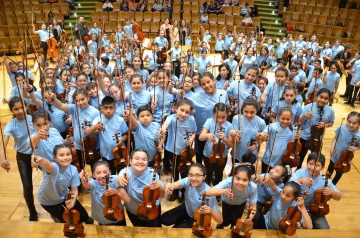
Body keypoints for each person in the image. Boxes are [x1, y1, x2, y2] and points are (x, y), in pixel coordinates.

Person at [0, 97, 38, 221]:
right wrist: (3, 159)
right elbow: (3, 144)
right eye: (16, 109)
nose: (20, 111)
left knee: (52, 177)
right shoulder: (11, 124)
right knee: (27, 187)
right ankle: (32, 212)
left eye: (22, 107)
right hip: (22, 157)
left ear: (25, 106)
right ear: (12, 110)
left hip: (38, 154)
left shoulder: (33, 119)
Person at [36, 144, 93, 224]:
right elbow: (47, 164)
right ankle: (56, 217)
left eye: (68, 154)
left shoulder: (73, 169)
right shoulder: (54, 167)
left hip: (64, 195)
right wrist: (40, 160)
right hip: (48, 201)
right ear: (55, 158)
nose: (66, 157)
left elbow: (74, 189)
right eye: (61, 155)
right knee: (68, 219)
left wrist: (73, 201)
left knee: (84, 216)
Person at [161, 163, 223, 227]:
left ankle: (183, 223)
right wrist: (170, 185)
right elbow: (177, 184)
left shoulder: (209, 192)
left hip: (197, 218)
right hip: (186, 208)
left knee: (176, 230)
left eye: (197, 175)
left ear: (204, 177)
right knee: (164, 219)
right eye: (190, 175)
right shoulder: (188, 180)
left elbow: (220, 220)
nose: (193, 178)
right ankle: (181, 221)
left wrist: (211, 211)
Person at [290, 152, 341, 229]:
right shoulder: (300, 172)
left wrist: (332, 192)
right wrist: (301, 180)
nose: (313, 168)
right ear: (307, 163)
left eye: (317, 165)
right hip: (298, 208)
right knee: (302, 229)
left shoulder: (324, 179)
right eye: (310, 164)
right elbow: (289, 185)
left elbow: (339, 197)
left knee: (325, 229)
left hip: (316, 211)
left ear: (322, 167)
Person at [159, 99, 196, 200]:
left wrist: (191, 140)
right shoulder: (171, 118)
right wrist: (163, 128)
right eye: (181, 110)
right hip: (173, 150)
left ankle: (184, 193)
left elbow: (193, 132)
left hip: (185, 151)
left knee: (185, 173)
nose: (183, 114)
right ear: (176, 109)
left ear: (190, 112)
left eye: (187, 112)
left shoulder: (192, 120)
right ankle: (174, 192)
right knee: (175, 172)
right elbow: (166, 124)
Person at [117, 149, 165, 227]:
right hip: (133, 210)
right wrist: (119, 180)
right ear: (130, 161)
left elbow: (162, 194)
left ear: (147, 162)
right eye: (137, 158)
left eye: (144, 159)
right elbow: (119, 180)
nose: (140, 161)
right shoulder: (125, 172)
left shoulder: (153, 173)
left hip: (153, 209)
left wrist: (160, 187)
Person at [189, 72, 228, 164]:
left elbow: (226, 109)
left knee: (214, 154)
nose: (206, 85)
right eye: (203, 84)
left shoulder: (223, 93)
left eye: (208, 82)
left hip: (217, 131)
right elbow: (185, 105)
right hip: (201, 131)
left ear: (214, 81)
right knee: (199, 153)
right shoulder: (195, 96)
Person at [87, 96, 128, 175]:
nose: (108, 111)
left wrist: (121, 140)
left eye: (111, 108)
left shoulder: (120, 120)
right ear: (101, 108)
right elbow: (88, 134)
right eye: (105, 108)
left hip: (120, 153)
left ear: (115, 108)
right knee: (110, 175)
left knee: (121, 174)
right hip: (106, 154)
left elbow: (125, 135)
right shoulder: (98, 119)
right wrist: (94, 127)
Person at [79, 160, 127, 225]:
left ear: (110, 172)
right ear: (93, 175)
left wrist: (122, 179)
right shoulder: (93, 183)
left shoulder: (114, 179)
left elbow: (121, 179)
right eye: (98, 173)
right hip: (102, 218)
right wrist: (83, 179)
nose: (102, 175)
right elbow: (86, 185)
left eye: (105, 172)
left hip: (118, 215)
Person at [298, 88, 335, 170]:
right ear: (316, 96)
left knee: (315, 159)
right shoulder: (308, 107)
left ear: (329, 99)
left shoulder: (330, 110)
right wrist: (305, 116)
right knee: (300, 157)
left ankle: (311, 172)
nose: (322, 100)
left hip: (318, 139)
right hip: (305, 137)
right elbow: (299, 122)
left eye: (326, 98)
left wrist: (325, 124)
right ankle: (298, 171)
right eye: (321, 97)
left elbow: (331, 123)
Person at [199, 103, 234, 190]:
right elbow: (200, 138)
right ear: (213, 114)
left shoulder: (229, 126)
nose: (220, 120)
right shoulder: (209, 122)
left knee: (219, 174)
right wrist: (207, 135)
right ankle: (206, 191)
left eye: (223, 117)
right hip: (208, 155)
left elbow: (231, 144)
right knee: (208, 173)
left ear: (227, 115)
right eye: (217, 117)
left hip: (223, 156)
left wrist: (225, 139)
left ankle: (217, 191)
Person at [260, 108, 300, 172]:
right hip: (268, 159)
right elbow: (264, 132)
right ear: (278, 117)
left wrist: (297, 139)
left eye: (288, 119)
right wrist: (262, 134)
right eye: (283, 119)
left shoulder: (294, 130)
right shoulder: (272, 126)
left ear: (291, 118)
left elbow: (295, 147)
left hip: (283, 160)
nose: (285, 121)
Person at [327, 111, 360, 185]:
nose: (351, 125)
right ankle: (326, 183)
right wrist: (332, 147)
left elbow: (359, 146)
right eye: (349, 122)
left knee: (338, 174)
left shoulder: (359, 135)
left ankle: (332, 186)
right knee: (329, 170)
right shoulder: (341, 128)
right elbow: (335, 139)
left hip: (345, 160)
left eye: (354, 123)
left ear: (359, 124)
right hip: (335, 155)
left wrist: (355, 148)